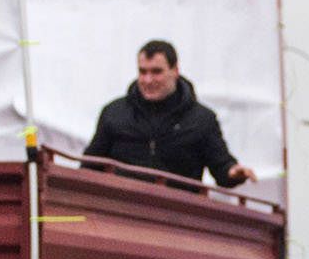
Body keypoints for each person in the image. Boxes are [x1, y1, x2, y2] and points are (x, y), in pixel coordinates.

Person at [89, 40, 251, 187]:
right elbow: (90, 165)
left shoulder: (202, 119)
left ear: (175, 70)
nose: (148, 80)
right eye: (142, 72)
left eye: (156, 72)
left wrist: (234, 173)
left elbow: (221, 168)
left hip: (176, 214)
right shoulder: (114, 113)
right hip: (120, 210)